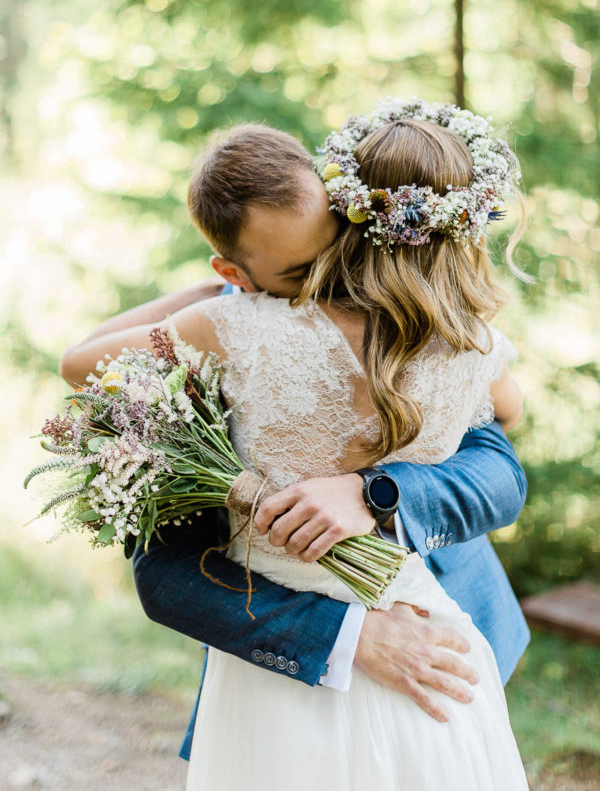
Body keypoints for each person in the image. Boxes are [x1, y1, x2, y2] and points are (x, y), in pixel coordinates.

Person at [60, 101, 529, 788]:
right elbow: (167, 577)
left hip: (443, 633)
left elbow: (499, 474)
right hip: (299, 649)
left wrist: (376, 493)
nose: (332, 281)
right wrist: (346, 638)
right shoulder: (461, 338)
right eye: (298, 273)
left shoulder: (227, 325)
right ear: (237, 271)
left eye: (340, 246)